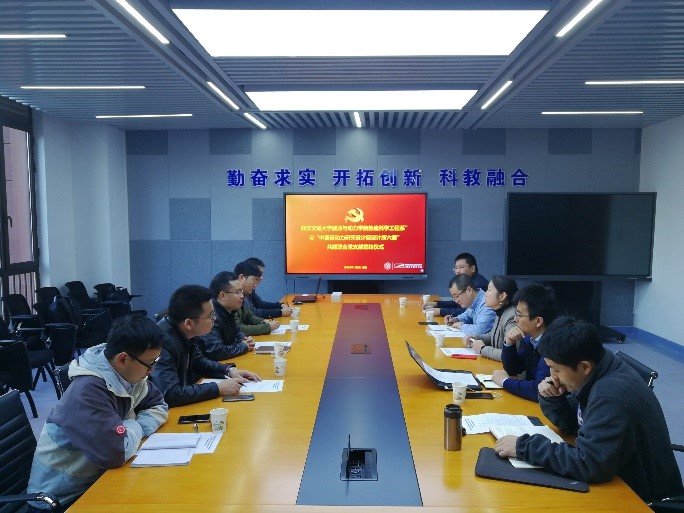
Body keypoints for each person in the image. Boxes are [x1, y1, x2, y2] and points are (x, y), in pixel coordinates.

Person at [495, 317, 684, 503]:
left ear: (584, 366)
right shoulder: (598, 369)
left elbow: (589, 464)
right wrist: (554, 399)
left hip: (643, 498)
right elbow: (574, 423)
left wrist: (524, 447)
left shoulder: (609, 395)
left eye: (556, 369)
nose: (553, 377)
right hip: (618, 474)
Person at [27, 314, 169, 511]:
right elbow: (116, 454)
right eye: (150, 363)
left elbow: (159, 405)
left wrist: (133, 430)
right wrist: (132, 424)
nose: (151, 371)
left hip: (96, 479)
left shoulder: (127, 375)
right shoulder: (87, 392)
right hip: (61, 499)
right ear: (123, 359)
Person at [150, 284, 260, 407]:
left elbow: (199, 362)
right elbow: (170, 394)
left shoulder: (186, 332)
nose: (215, 319)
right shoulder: (161, 343)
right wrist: (217, 388)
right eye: (211, 315)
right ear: (188, 323)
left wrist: (229, 371)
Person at [491, 284, 556, 401]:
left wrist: (505, 381)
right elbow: (513, 368)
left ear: (538, 321)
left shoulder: (553, 345)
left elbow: (539, 389)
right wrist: (509, 343)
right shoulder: (530, 340)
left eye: (519, 315)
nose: (515, 319)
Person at [199, 271, 255, 360]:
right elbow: (216, 351)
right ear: (223, 296)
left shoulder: (229, 310)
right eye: (238, 292)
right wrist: (244, 346)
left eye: (242, 292)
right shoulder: (210, 316)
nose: (242, 296)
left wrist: (244, 339)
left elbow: (237, 331)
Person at [464, 276, 518, 361]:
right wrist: (475, 338)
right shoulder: (500, 311)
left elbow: (508, 354)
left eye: (489, 290)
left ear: (502, 296)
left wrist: (482, 349)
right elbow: (493, 336)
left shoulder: (512, 317)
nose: (485, 294)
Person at [426, 252, 488, 317]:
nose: (457, 271)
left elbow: (468, 311)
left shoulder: (480, 284)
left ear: (472, 268)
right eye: (456, 268)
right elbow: (456, 303)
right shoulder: (465, 281)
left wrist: (440, 311)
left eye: (461, 267)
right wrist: (435, 304)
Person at [233, 261, 279, 336]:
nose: (255, 285)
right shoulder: (231, 296)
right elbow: (237, 328)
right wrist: (266, 327)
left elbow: (250, 316)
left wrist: (263, 321)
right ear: (241, 277)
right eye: (254, 280)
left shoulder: (244, 295)